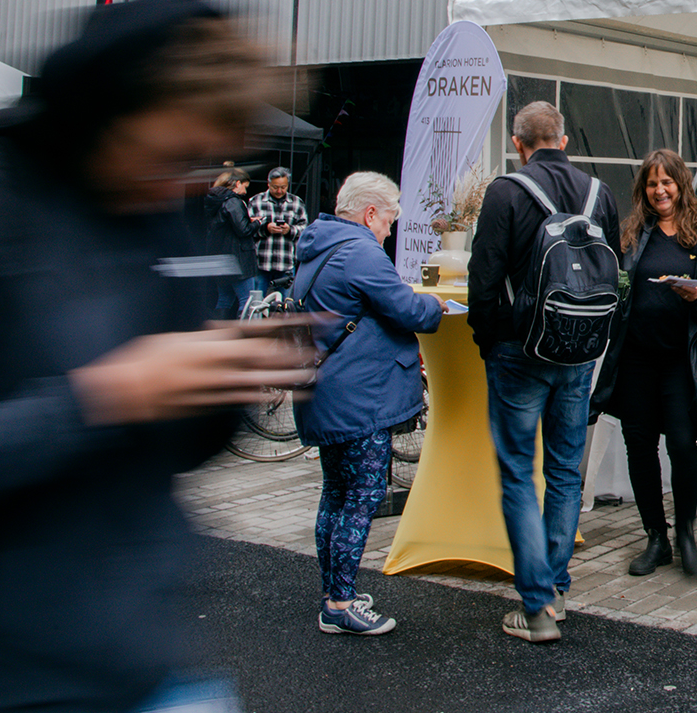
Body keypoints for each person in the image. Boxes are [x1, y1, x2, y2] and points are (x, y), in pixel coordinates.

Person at [0, 0, 314, 712]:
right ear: (106, 109)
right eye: (170, 154)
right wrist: (99, 397)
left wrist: (223, 378)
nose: (183, 184)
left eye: (201, 160)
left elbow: (169, 449)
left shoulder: (150, 213)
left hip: (143, 663)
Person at [468, 100, 620, 643]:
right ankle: (555, 591)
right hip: (579, 352)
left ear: (519, 144)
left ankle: (533, 607)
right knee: (563, 472)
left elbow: (482, 278)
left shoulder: (506, 192)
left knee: (517, 472)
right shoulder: (599, 193)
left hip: (519, 352)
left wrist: (490, 341)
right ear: (563, 140)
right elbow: (612, 276)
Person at [293, 171, 451, 637]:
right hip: (359, 398)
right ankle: (340, 604)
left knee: (335, 496)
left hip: (325, 391)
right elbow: (406, 309)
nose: (389, 229)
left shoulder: (317, 245)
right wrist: (436, 306)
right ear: (368, 214)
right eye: (388, 219)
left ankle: (332, 592)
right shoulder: (362, 251)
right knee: (360, 498)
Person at [591, 149, 697, 579]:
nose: (660, 191)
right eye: (652, 184)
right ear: (644, 190)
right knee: (639, 446)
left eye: (667, 183)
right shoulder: (633, 236)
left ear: (681, 185)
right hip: (637, 359)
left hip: (683, 361)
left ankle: (687, 534)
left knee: (681, 445)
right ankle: (655, 536)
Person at [204, 165, 262, 317]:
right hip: (239, 259)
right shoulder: (233, 201)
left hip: (222, 258)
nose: (245, 191)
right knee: (246, 300)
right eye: (245, 186)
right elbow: (243, 230)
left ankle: (217, 333)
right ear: (237, 183)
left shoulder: (215, 200)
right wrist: (257, 223)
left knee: (225, 298)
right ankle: (244, 334)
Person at [249, 165, 309, 291]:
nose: (279, 191)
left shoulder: (296, 202)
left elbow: (305, 229)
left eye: (283, 187)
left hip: (285, 263)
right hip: (261, 262)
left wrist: (290, 230)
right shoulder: (256, 201)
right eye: (275, 187)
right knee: (257, 303)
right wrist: (266, 229)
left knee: (285, 305)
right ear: (268, 183)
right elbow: (247, 229)